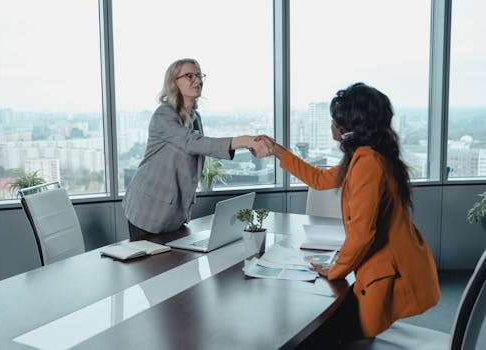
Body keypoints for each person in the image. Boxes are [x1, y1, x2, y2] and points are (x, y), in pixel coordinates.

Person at [257, 82, 440, 342]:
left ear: (347, 129)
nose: (331, 124)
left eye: (335, 119)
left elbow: (363, 235)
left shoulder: (367, 162)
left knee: (319, 334)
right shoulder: (369, 155)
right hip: (391, 265)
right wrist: (277, 151)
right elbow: (319, 179)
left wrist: (334, 270)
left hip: (387, 275)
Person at [122, 58, 269, 239]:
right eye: (189, 76)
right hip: (147, 208)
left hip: (174, 213)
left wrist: (187, 205)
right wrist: (244, 140)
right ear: (173, 82)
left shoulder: (195, 117)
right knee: (150, 265)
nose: (198, 81)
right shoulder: (164, 114)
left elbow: (196, 161)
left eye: (199, 76)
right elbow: (193, 143)